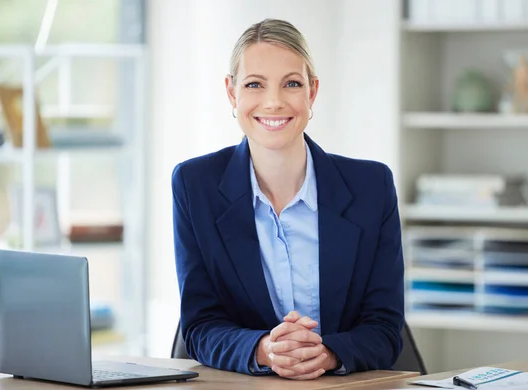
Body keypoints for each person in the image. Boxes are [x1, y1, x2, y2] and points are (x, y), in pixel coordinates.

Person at [172, 18, 404, 380]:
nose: (274, 102)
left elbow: (386, 329)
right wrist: (266, 350)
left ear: (312, 92)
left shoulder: (371, 187)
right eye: (254, 84)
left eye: (291, 84)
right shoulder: (194, 185)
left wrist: (327, 353)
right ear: (232, 93)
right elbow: (200, 326)